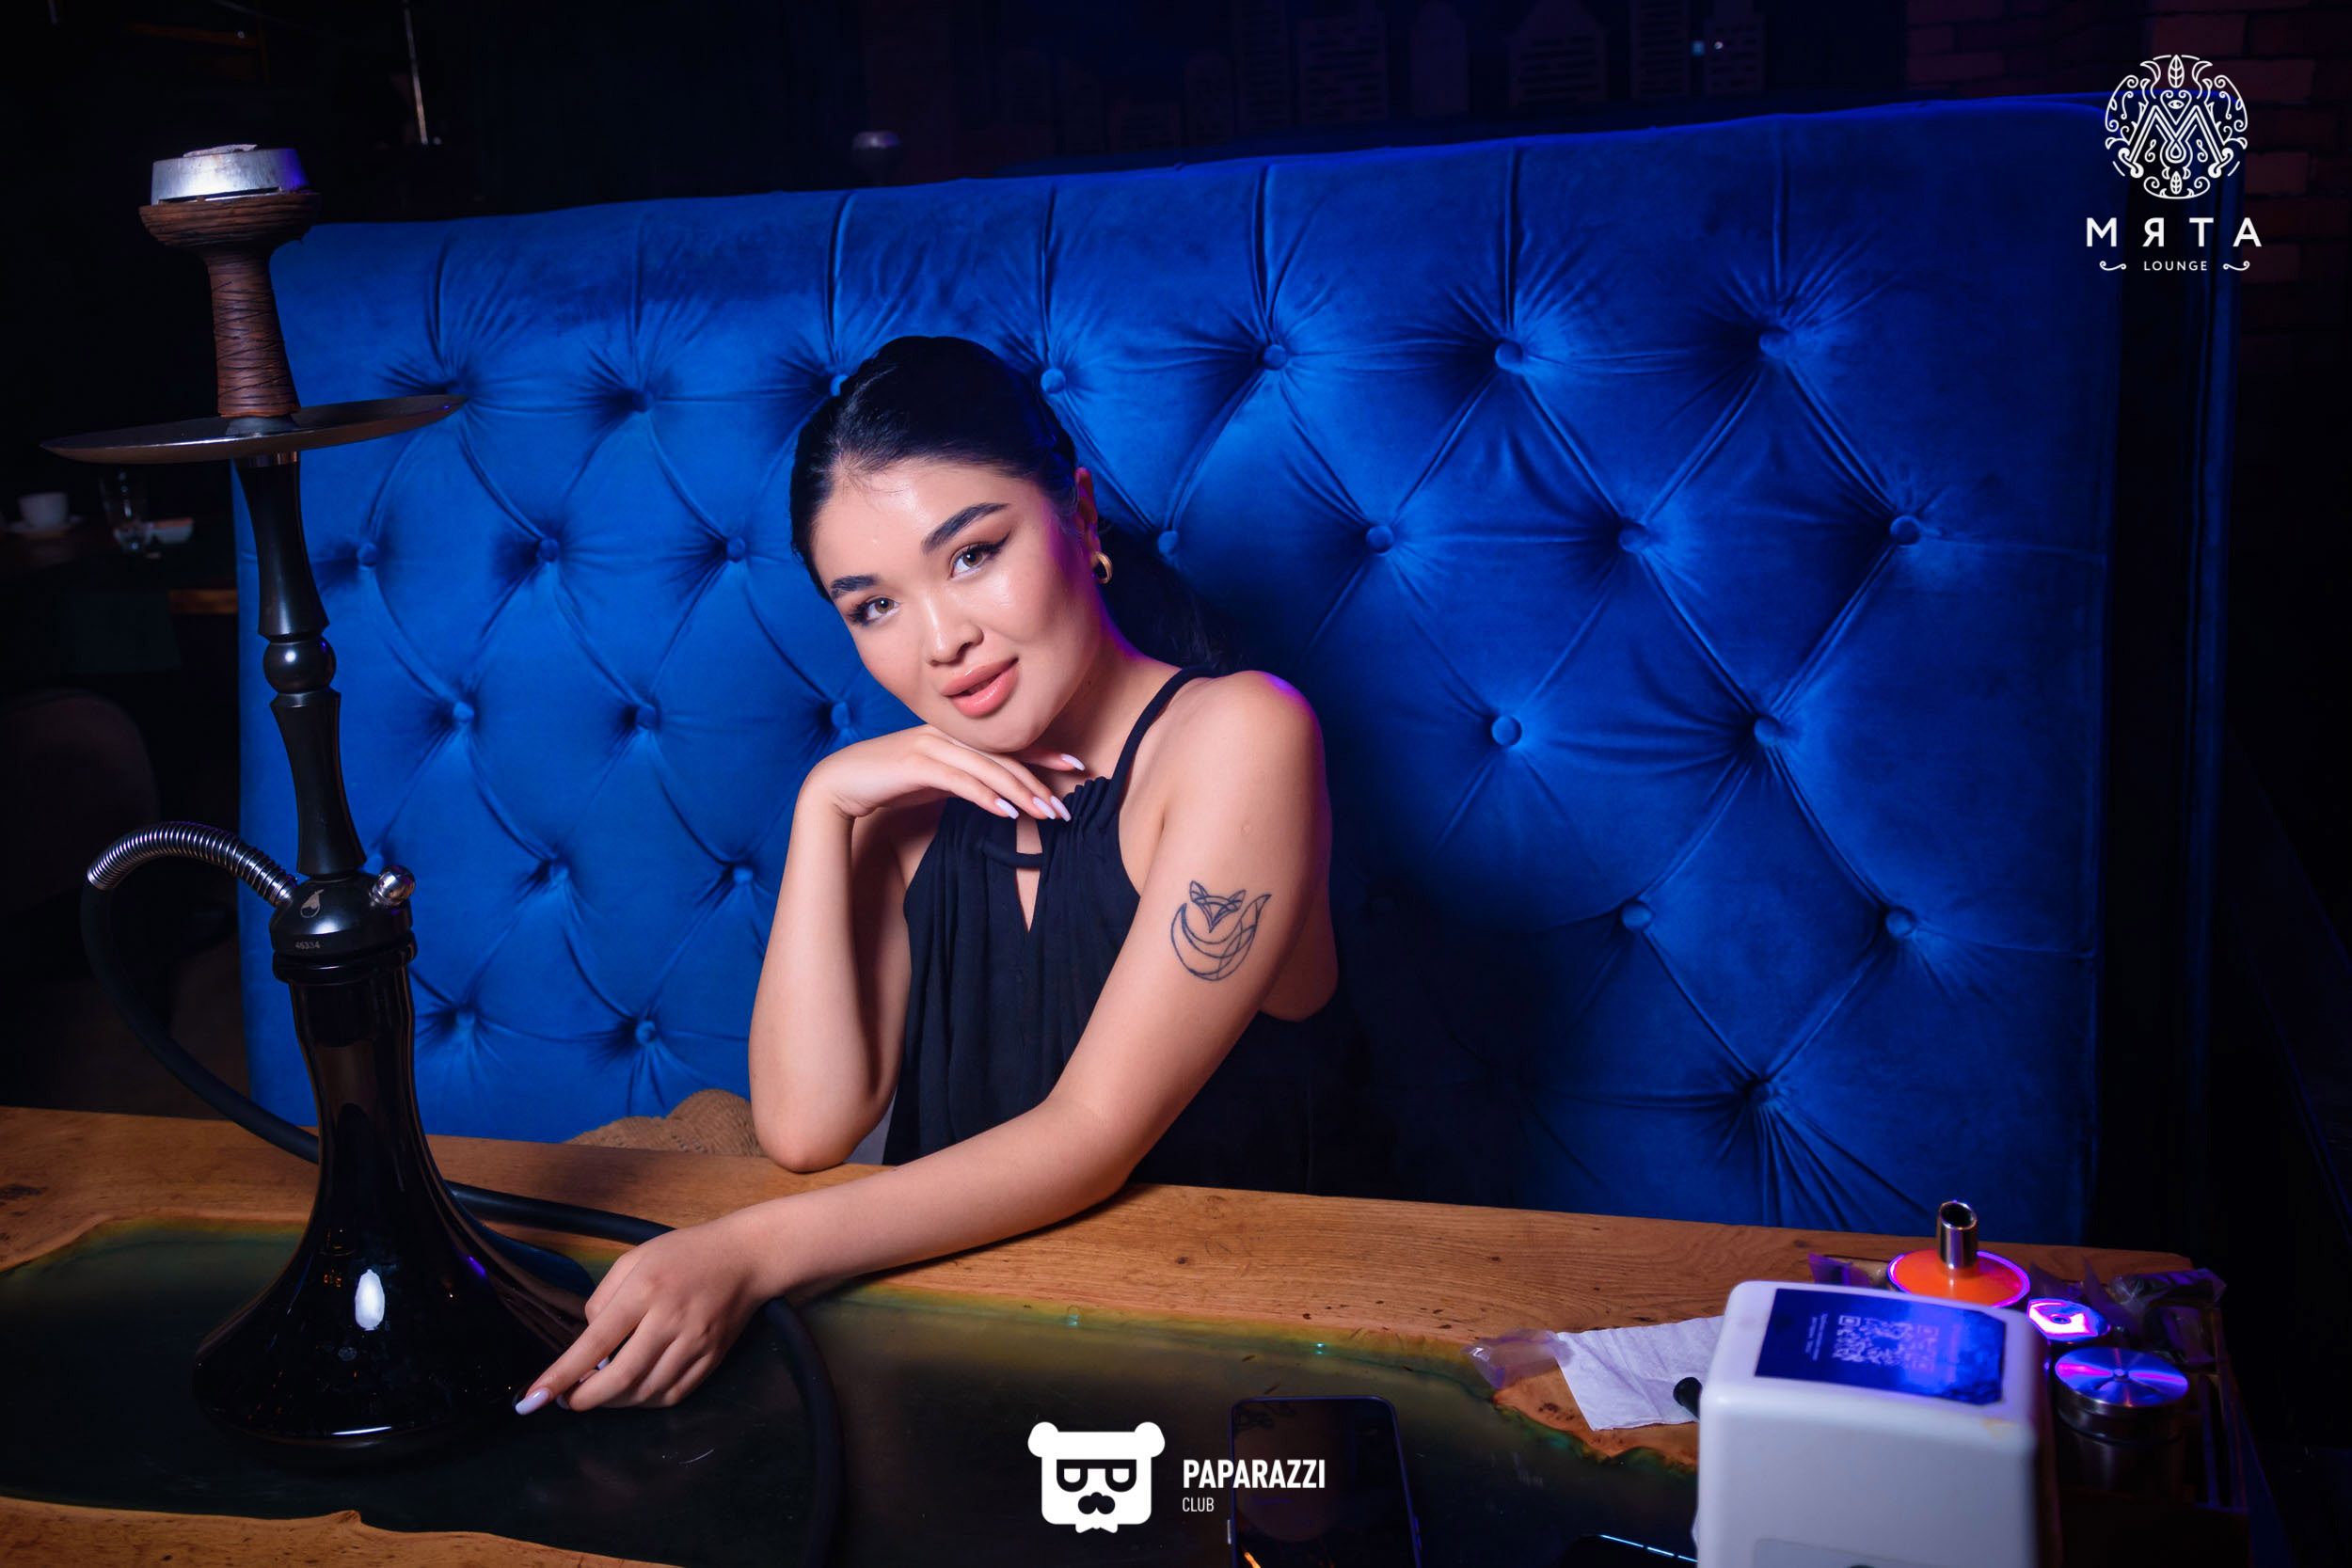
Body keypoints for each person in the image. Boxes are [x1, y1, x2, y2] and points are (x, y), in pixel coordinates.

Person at [518, 336, 1392, 1418]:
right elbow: (805, 1128)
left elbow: (1090, 1133)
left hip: (1254, 1350)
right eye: (872, 605)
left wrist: (745, 1250)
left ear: (1078, 515)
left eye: (973, 553)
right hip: (980, 1336)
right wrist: (824, 805)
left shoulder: (1241, 735)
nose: (943, 640)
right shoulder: (905, 805)